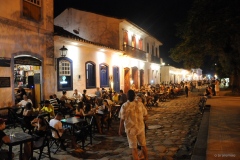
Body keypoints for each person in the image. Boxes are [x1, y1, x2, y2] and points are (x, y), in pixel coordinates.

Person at [119, 90, 148, 160]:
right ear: (134, 95)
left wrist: (120, 129)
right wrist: (140, 119)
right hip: (140, 128)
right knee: (143, 146)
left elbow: (122, 119)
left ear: (127, 96)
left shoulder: (125, 106)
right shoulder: (140, 104)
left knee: (134, 148)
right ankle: (146, 158)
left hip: (130, 130)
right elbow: (146, 116)